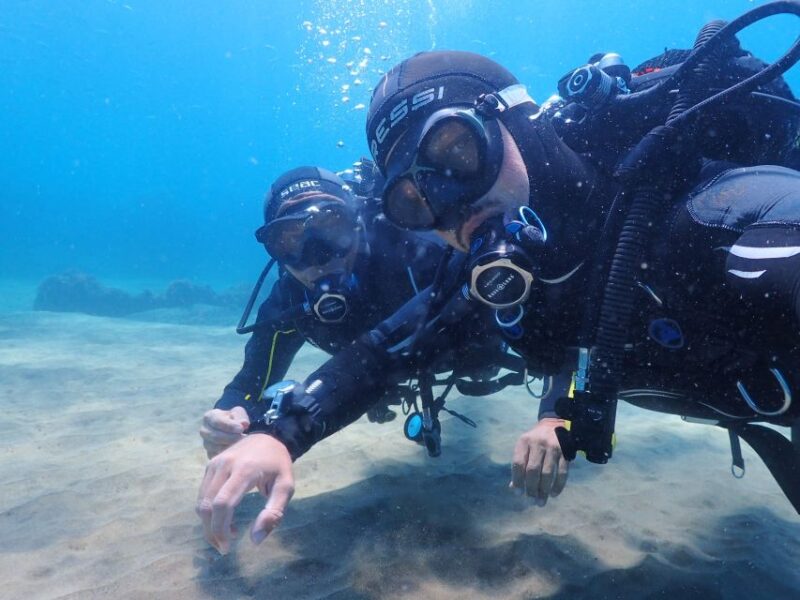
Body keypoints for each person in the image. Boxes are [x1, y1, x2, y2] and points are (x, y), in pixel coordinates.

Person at [198, 2, 800, 552]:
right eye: (416, 199)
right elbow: (385, 352)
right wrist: (280, 434)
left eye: (457, 154)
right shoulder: (498, 279)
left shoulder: (713, 221)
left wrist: (552, 413)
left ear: (514, 119)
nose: (453, 206)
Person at [196, 164, 518, 552]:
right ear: (275, 251)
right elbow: (249, 384)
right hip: (364, 378)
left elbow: (548, 320)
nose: (317, 256)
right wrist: (227, 417)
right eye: (290, 240)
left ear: (360, 223)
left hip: (453, 353)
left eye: (332, 229)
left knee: (482, 361)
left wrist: (555, 410)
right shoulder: (290, 301)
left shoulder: (414, 255)